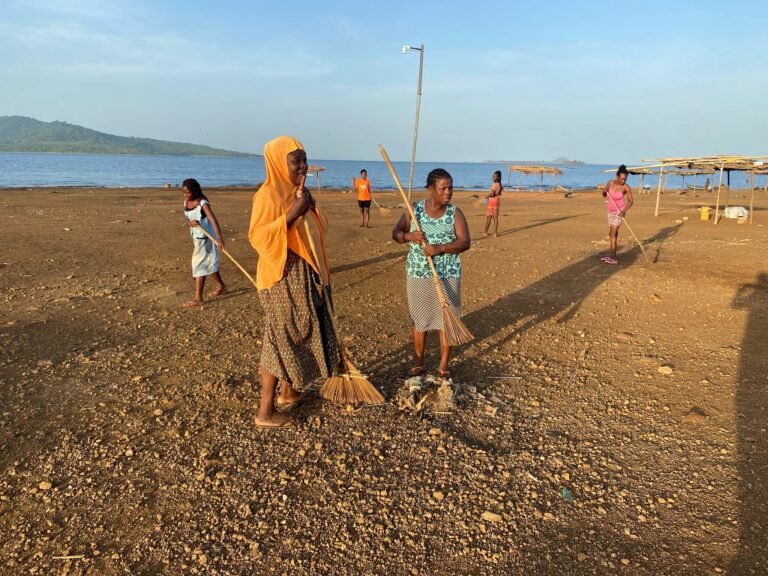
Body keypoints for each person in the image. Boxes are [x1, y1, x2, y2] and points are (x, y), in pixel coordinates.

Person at [248, 136, 338, 428]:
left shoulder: (297, 191)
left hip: (302, 273)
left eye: (304, 159)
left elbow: (320, 227)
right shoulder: (268, 195)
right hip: (280, 276)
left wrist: (308, 206)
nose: (303, 165)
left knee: (298, 332)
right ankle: (265, 411)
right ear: (277, 162)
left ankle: (288, 392)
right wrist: (290, 214)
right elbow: (258, 237)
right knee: (278, 339)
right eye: (295, 160)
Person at [392, 168, 470, 378]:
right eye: (443, 188)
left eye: (450, 187)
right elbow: (396, 233)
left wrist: (440, 248)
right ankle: (419, 362)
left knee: (447, 318)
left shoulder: (455, 213)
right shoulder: (413, 210)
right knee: (420, 318)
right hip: (419, 272)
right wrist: (409, 235)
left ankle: (443, 365)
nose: (448, 192)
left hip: (448, 273)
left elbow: (465, 242)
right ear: (430, 189)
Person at [182, 178, 227, 307]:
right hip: (197, 238)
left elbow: (213, 220)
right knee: (209, 263)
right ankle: (221, 286)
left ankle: (198, 298)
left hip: (206, 239)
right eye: (184, 192)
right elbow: (188, 220)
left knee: (199, 265)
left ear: (195, 191)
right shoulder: (186, 202)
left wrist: (219, 239)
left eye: (188, 193)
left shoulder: (202, 203)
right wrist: (191, 223)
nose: (186, 195)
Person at [601, 164, 634, 265]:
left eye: (625, 179)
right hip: (610, 212)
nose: (623, 181)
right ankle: (612, 254)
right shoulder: (610, 183)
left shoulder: (626, 187)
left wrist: (624, 211)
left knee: (612, 234)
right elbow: (604, 195)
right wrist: (604, 191)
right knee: (612, 233)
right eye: (621, 179)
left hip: (618, 212)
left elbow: (631, 201)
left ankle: (614, 257)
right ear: (617, 176)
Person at [483, 170, 503, 237]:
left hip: (491, 202)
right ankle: (495, 233)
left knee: (489, 217)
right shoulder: (500, 185)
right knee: (495, 218)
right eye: (493, 176)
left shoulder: (494, 185)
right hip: (496, 202)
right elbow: (498, 193)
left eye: (494, 176)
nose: (493, 177)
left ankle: (485, 232)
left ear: (498, 178)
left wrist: (487, 196)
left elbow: (492, 194)